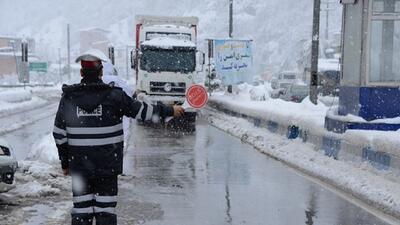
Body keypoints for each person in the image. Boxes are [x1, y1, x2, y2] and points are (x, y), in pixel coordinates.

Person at [52, 49, 184, 225]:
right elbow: (143, 112)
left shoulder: (69, 98)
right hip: (107, 167)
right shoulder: (115, 96)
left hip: (80, 167)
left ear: (82, 72)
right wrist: (169, 110)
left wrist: (66, 163)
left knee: (81, 212)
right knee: (105, 212)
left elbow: (59, 133)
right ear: (100, 72)